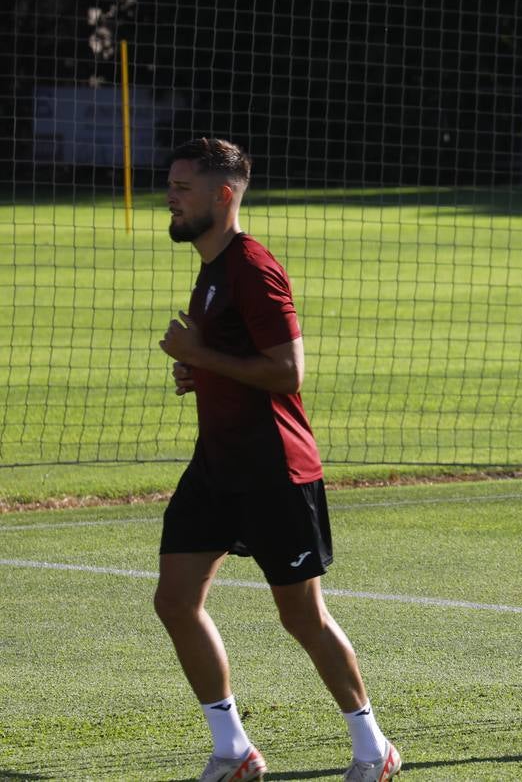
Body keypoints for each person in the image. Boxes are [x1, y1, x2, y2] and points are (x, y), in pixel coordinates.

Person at [155, 138, 401, 782]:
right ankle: (234, 750)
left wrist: (204, 358)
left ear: (223, 195)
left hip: (275, 472)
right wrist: (200, 372)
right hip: (217, 467)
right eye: (172, 186)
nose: (171, 197)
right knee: (175, 601)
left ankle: (375, 749)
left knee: (301, 617)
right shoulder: (211, 268)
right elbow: (240, 360)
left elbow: (289, 373)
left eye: (183, 188)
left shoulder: (253, 268)